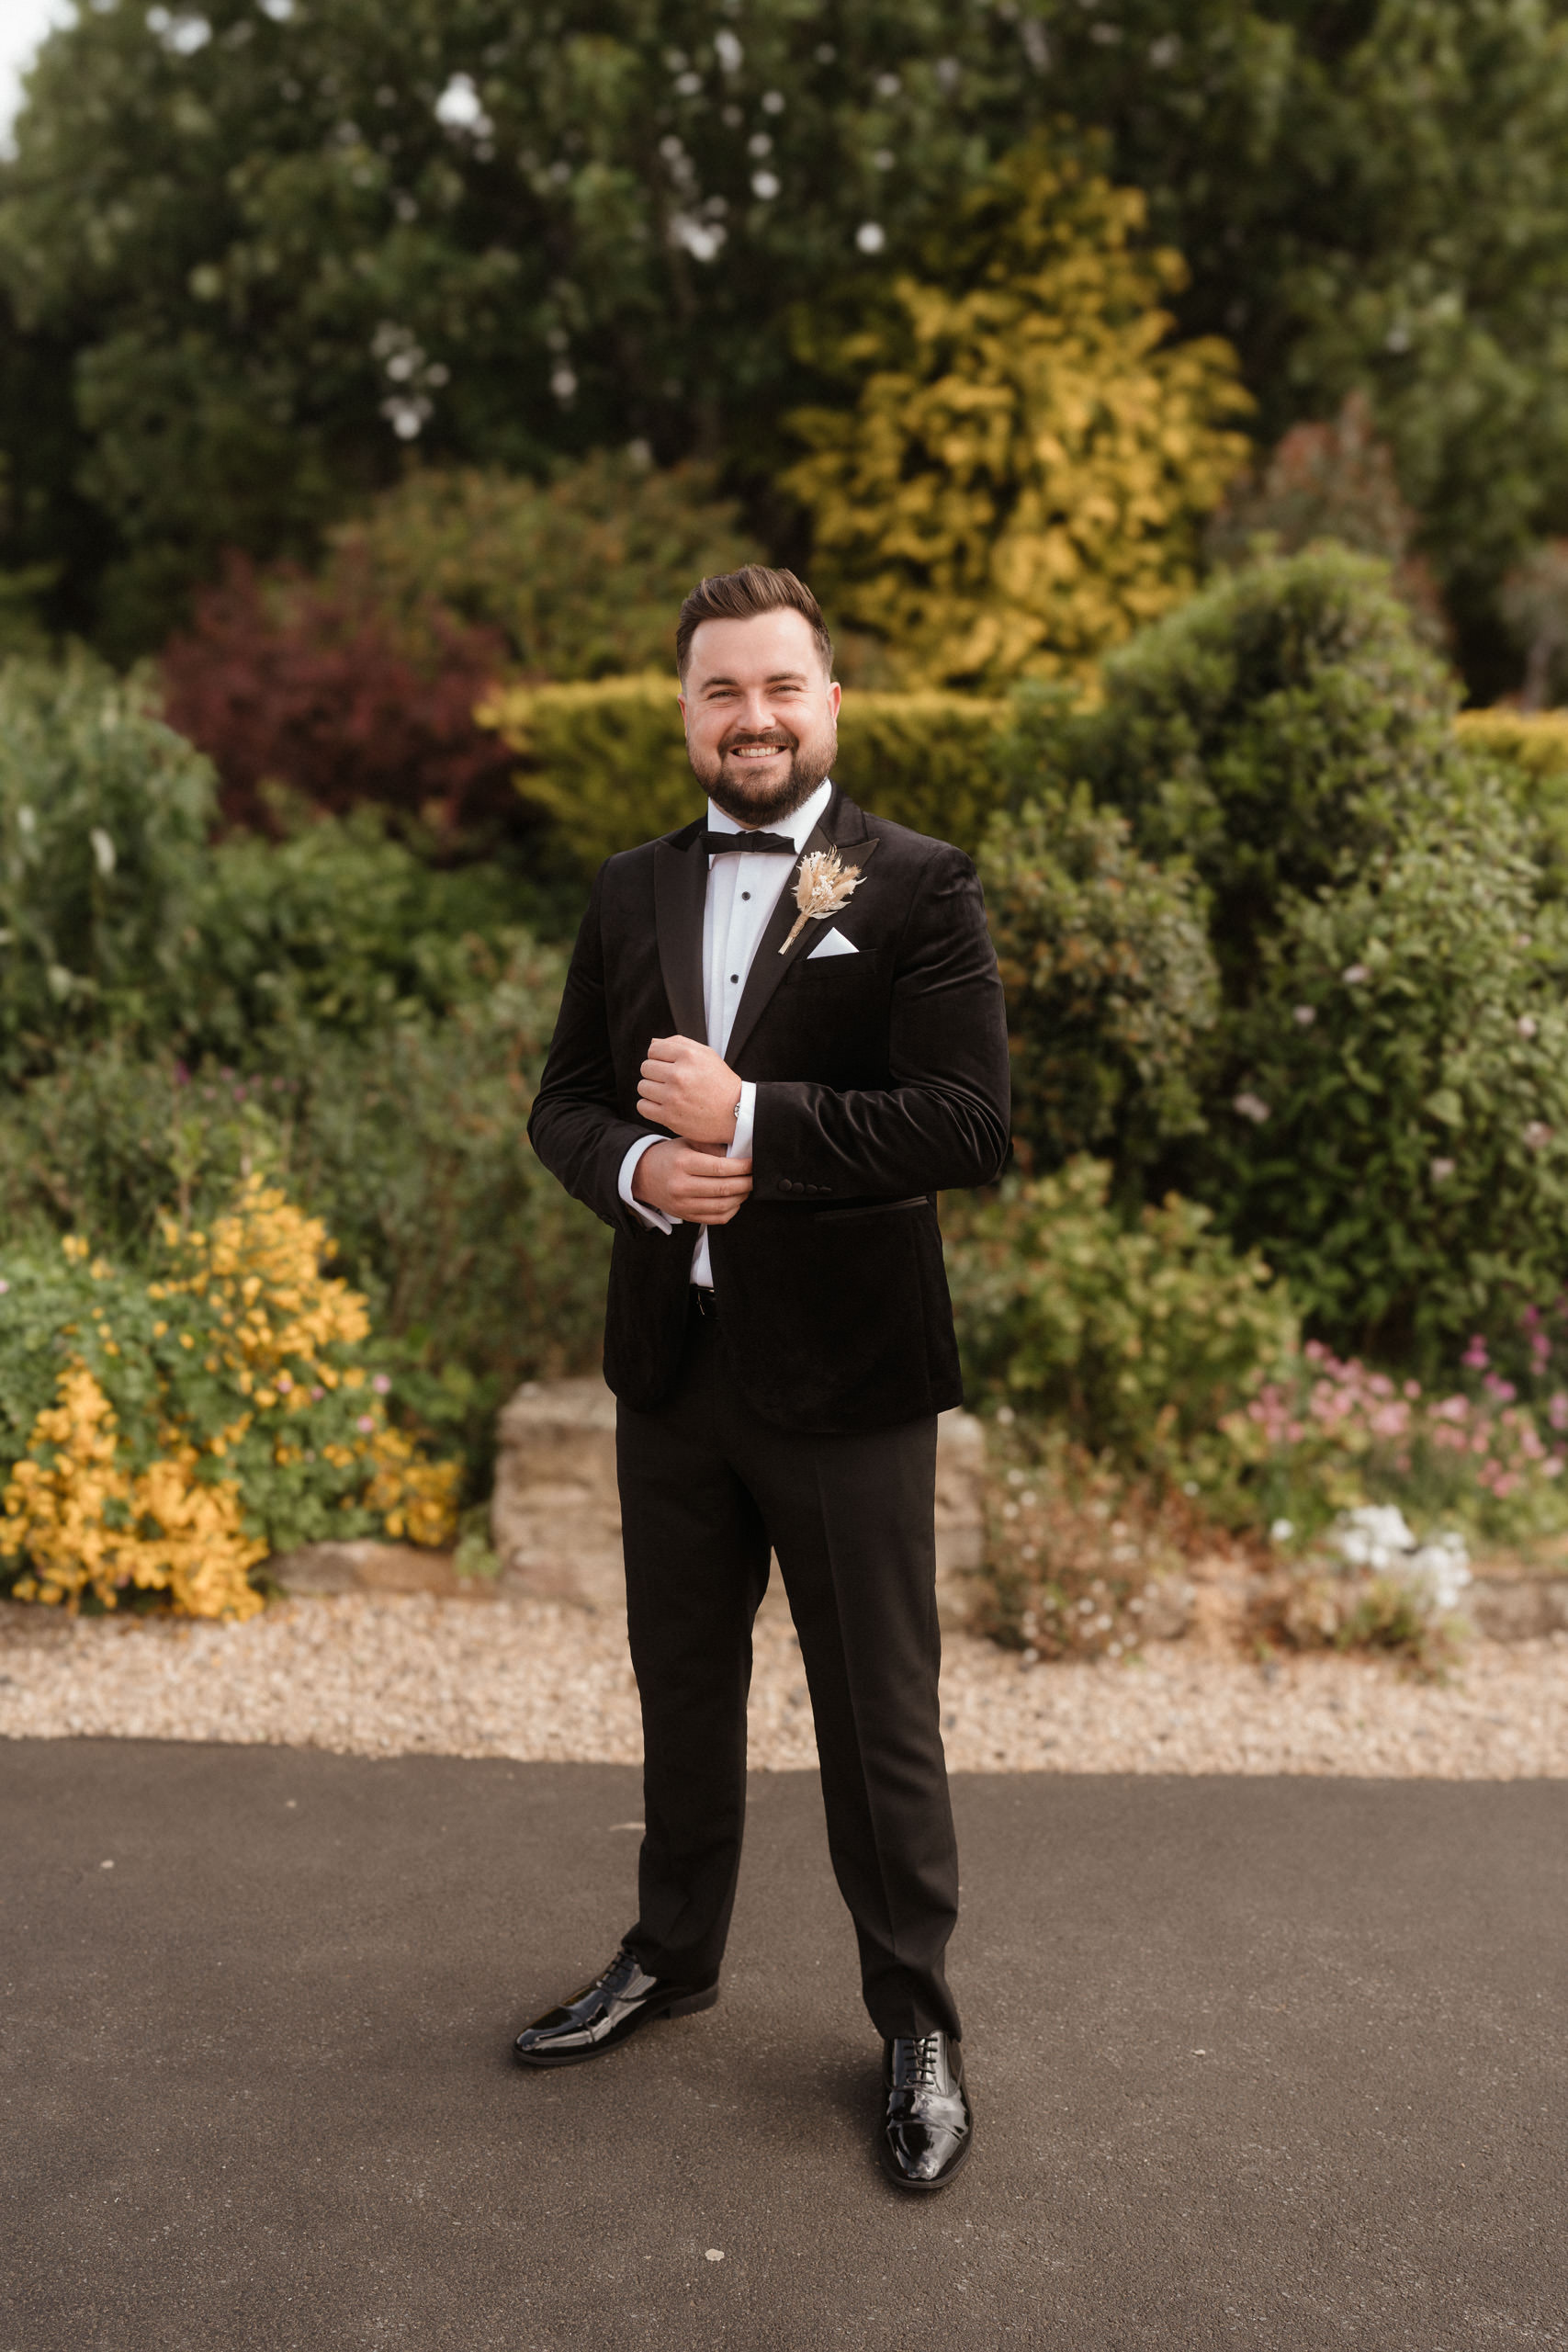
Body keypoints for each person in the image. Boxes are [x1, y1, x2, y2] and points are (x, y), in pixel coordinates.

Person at [520, 564, 1010, 2191]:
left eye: (781, 688)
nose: (754, 718)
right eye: (722, 690)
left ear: (831, 702)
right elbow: (567, 1102)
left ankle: (917, 2024)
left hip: (850, 1382)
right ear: (685, 711)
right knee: (681, 1685)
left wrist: (750, 1123)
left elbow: (967, 1125)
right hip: (673, 1369)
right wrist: (639, 1173)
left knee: (879, 1715)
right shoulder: (628, 889)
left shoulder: (920, 885)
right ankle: (671, 1955)